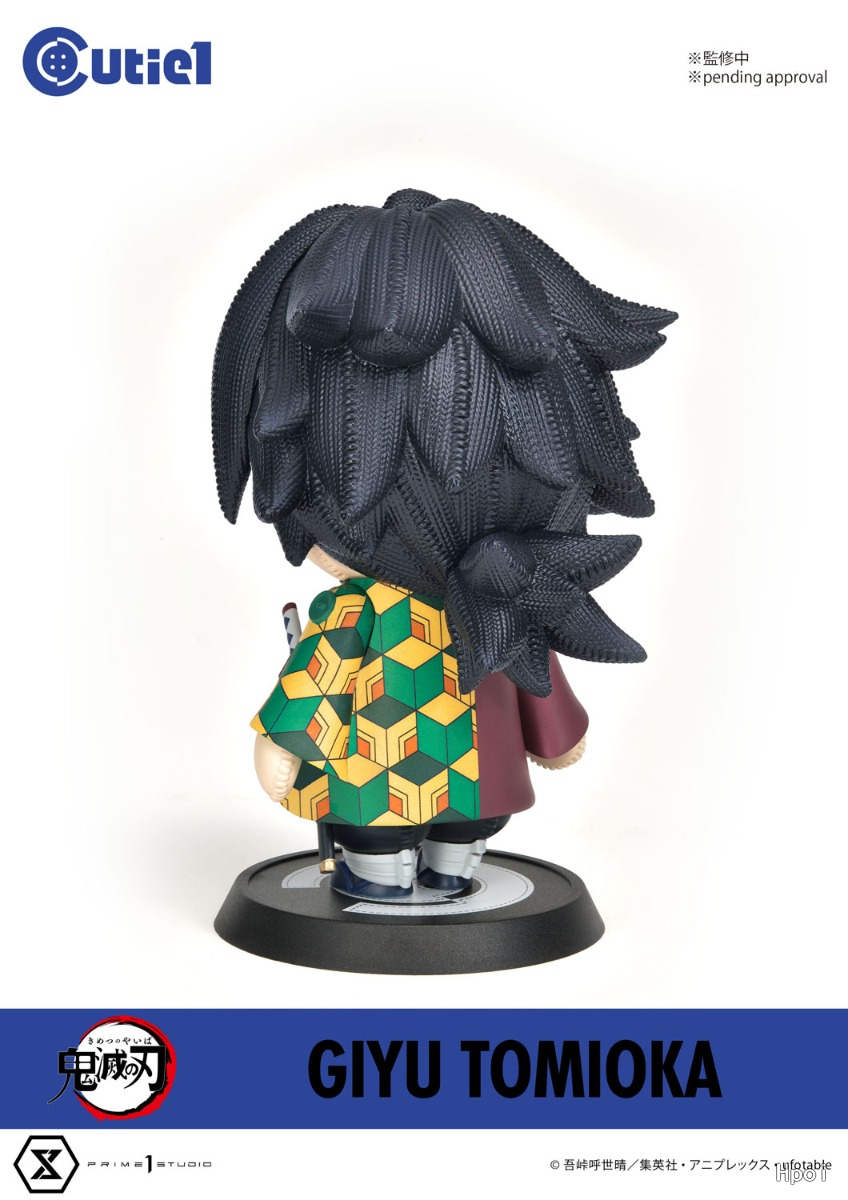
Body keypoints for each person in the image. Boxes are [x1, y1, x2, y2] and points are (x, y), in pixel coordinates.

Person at [213, 188, 675, 900]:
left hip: (385, 780)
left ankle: (411, 867)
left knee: (421, 830)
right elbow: (535, 685)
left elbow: (320, 683)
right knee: (432, 829)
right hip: (431, 782)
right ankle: (417, 866)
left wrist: (285, 743)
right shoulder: (482, 605)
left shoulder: (485, 602)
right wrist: (557, 737)